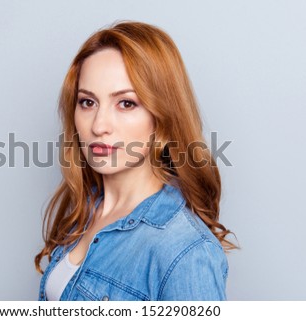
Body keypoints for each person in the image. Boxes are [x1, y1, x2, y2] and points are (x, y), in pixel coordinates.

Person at [35, 20, 237, 301]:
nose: (99, 125)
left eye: (126, 103)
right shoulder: (84, 211)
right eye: (87, 102)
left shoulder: (185, 252)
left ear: (162, 115)